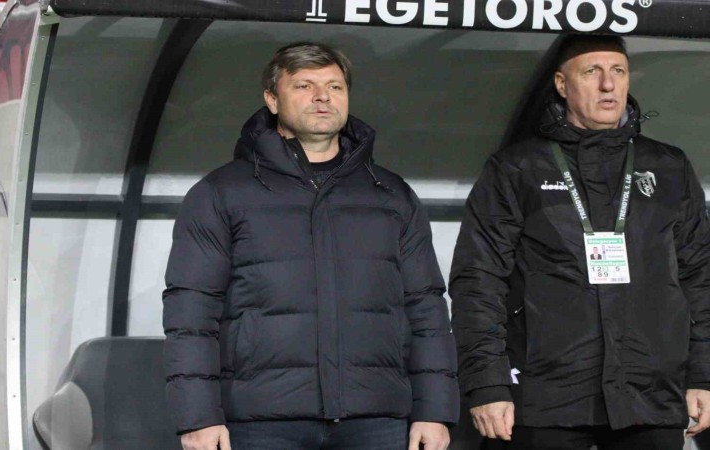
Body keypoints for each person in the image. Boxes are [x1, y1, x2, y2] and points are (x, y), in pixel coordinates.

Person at [163, 42, 459, 450]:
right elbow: (191, 313)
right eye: (304, 86)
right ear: (272, 99)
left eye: (335, 87)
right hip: (260, 422)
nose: (322, 97)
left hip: (376, 420)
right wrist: (197, 418)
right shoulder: (221, 192)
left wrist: (434, 410)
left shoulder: (391, 194)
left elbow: (426, 308)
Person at [449, 34, 710, 450]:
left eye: (618, 71)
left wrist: (703, 374)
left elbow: (701, 278)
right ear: (561, 84)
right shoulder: (518, 168)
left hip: (650, 395)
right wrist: (487, 384)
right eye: (592, 72)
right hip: (546, 397)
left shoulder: (667, 166)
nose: (608, 84)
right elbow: (478, 282)